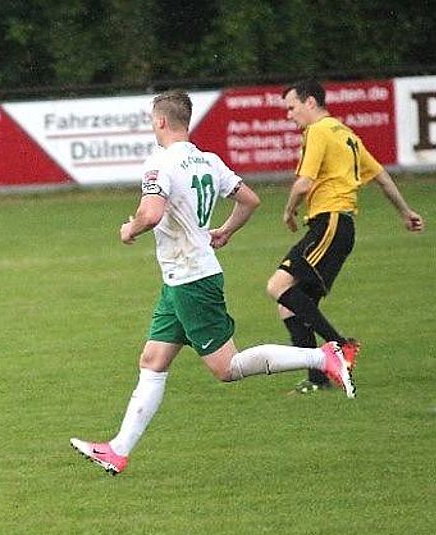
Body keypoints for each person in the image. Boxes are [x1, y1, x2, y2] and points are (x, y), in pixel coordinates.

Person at [70, 90, 356, 476]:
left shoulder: (159, 162)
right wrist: (225, 231)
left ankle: (324, 357)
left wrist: (129, 229)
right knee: (153, 360)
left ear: (160, 122)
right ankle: (117, 451)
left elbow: (151, 214)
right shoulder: (208, 160)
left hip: (191, 280)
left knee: (227, 367)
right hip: (181, 279)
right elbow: (250, 200)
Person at [267, 79, 425, 394]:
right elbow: (382, 177)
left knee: (277, 286)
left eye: (292, 108)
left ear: (310, 102)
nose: (289, 115)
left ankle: (339, 345)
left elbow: (304, 182)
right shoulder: (347, 134)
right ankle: (317, 381)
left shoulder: (318, 130)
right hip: (340, 227)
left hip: (330, 222)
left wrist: (288, 211)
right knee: (290, 306)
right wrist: (405, 211)